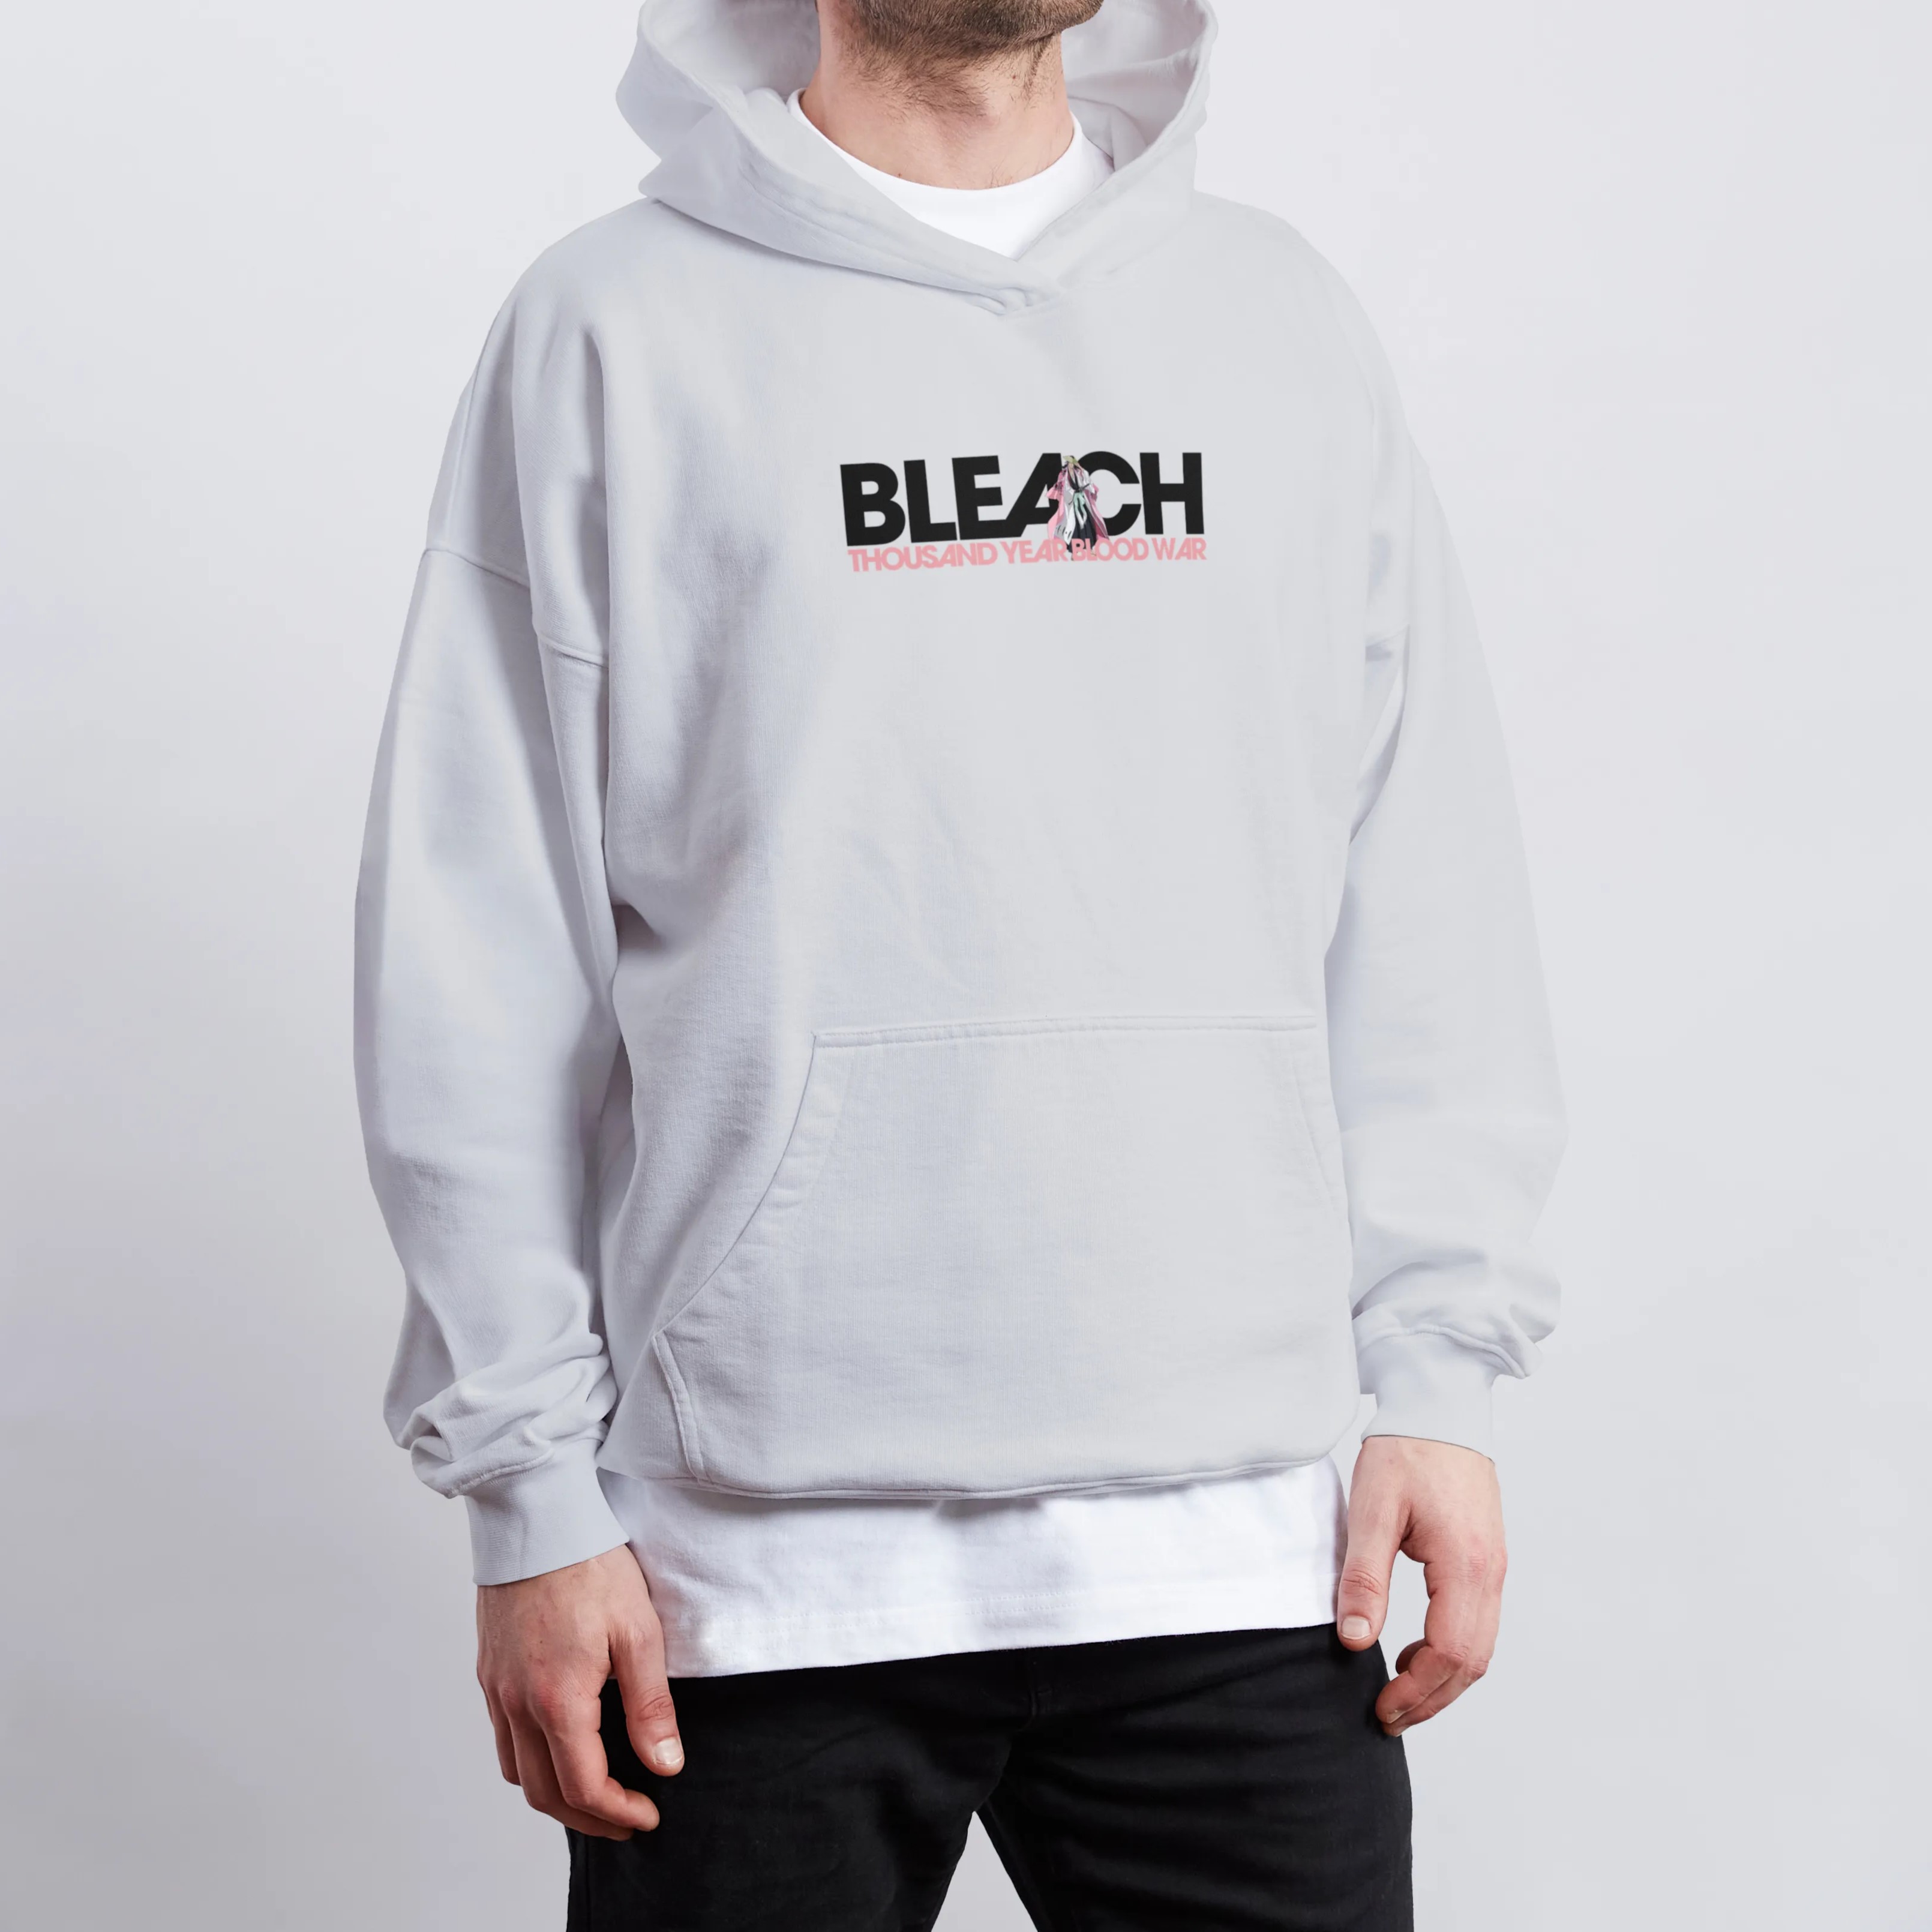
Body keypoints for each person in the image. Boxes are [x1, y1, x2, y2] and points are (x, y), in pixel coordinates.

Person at [353, 0, 1565, 1925]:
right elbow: (482, 945)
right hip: (742, 1585)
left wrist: (1437, 1374)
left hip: (1246, 1558)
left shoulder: (1275, 322)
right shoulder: (611, 328)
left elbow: (1422, 881)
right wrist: (524, 1490)